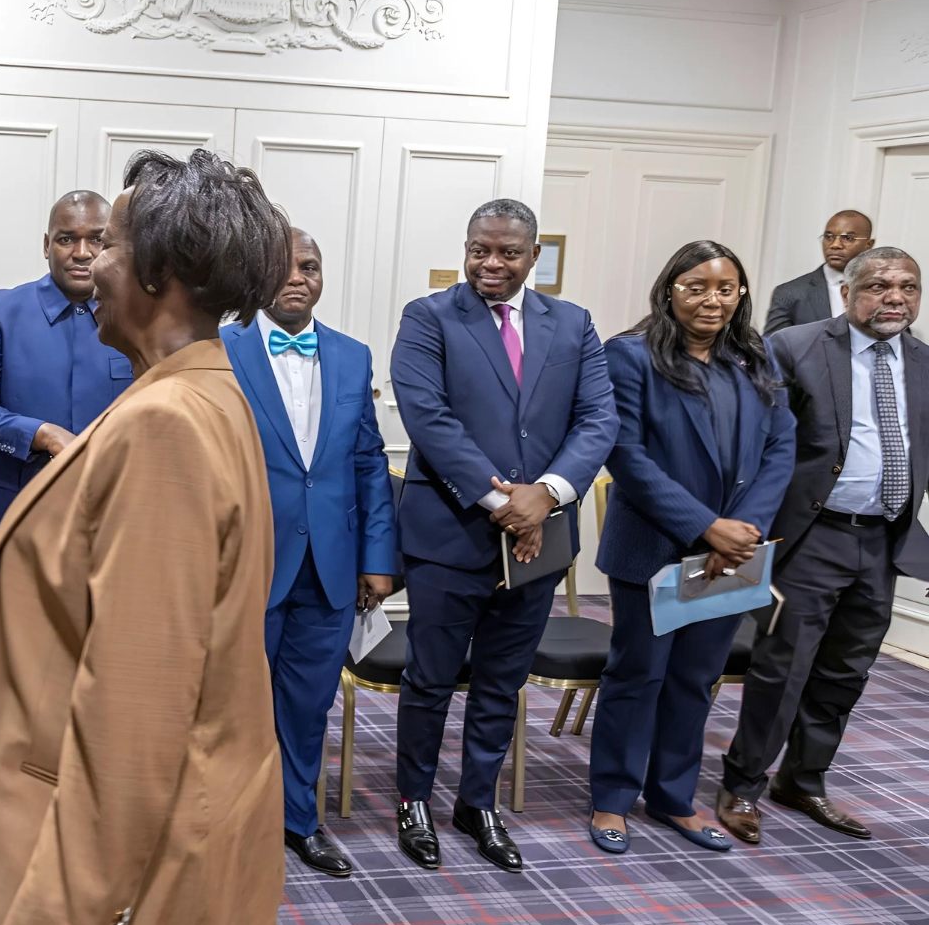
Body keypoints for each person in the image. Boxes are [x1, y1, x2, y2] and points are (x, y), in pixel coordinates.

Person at [0, 149, 289, 925]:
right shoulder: (189, 387)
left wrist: (55, 921)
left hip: (147, 866)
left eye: (112, 245)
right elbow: (90, 587)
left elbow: (134, 713)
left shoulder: (165, 422)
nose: (91, 262)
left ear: (161, 271)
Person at [389, 199, 617, 873]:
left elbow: (598, 420)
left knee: (501, 682)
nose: (491, 263)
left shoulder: (573, 324)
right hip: (450, 534)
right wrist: (502, 501)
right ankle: (414, 800)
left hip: (538, 541)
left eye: (508, 253)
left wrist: (545, 495)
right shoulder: (427, 318)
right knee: (429, 679)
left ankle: (477, 801)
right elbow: (428, 419)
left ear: (533, 257)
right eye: (479, 249)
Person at [589, 241, 796, 854]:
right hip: (655, 546)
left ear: (740, 296)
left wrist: (742, 530)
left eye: (725, 288)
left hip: (733, 552)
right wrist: (705, 527)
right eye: (697, 286)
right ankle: (613, 799)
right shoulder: (629, 355)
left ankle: (674, 796)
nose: (712, 299)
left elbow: (781, 448)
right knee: (638, 675)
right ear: (669, 290)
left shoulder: (754, 358)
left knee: (697, 677)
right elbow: (625, 454)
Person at [719, 247, 927, 844]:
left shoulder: (924, 361)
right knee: (783, 669)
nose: (895, 298)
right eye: (880, 286)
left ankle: (804, 779)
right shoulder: (796, 347)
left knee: (846, 670)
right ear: (846, 292)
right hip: (810, 537)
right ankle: (743, 784)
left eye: (909, 287)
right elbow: (754, 442)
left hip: (882, 541)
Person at [223, 227, 397, 877]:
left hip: (330, 566)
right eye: (283, 266)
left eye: (311, 266)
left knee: (306, 705)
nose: (298, 277)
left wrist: (377, 557)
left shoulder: (352, 356)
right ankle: (234, 823)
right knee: (237, 706)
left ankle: (299, 821)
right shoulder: (223, 350)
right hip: (248, 566)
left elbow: (369, 461)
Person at [0, 190, 133, 543]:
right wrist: (38, 434)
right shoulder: (0, 312)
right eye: (66, 239)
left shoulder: (138, 317)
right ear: (47, 245)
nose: (81, 253)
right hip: (18, 513)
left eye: (96, 239)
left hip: (114, 516)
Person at [764, 210, 875, 334]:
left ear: (868, 245)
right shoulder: (790, 293)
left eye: (847, 238)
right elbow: (772, 347)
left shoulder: (887, 290)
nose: (835, 245)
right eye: (829, 237)